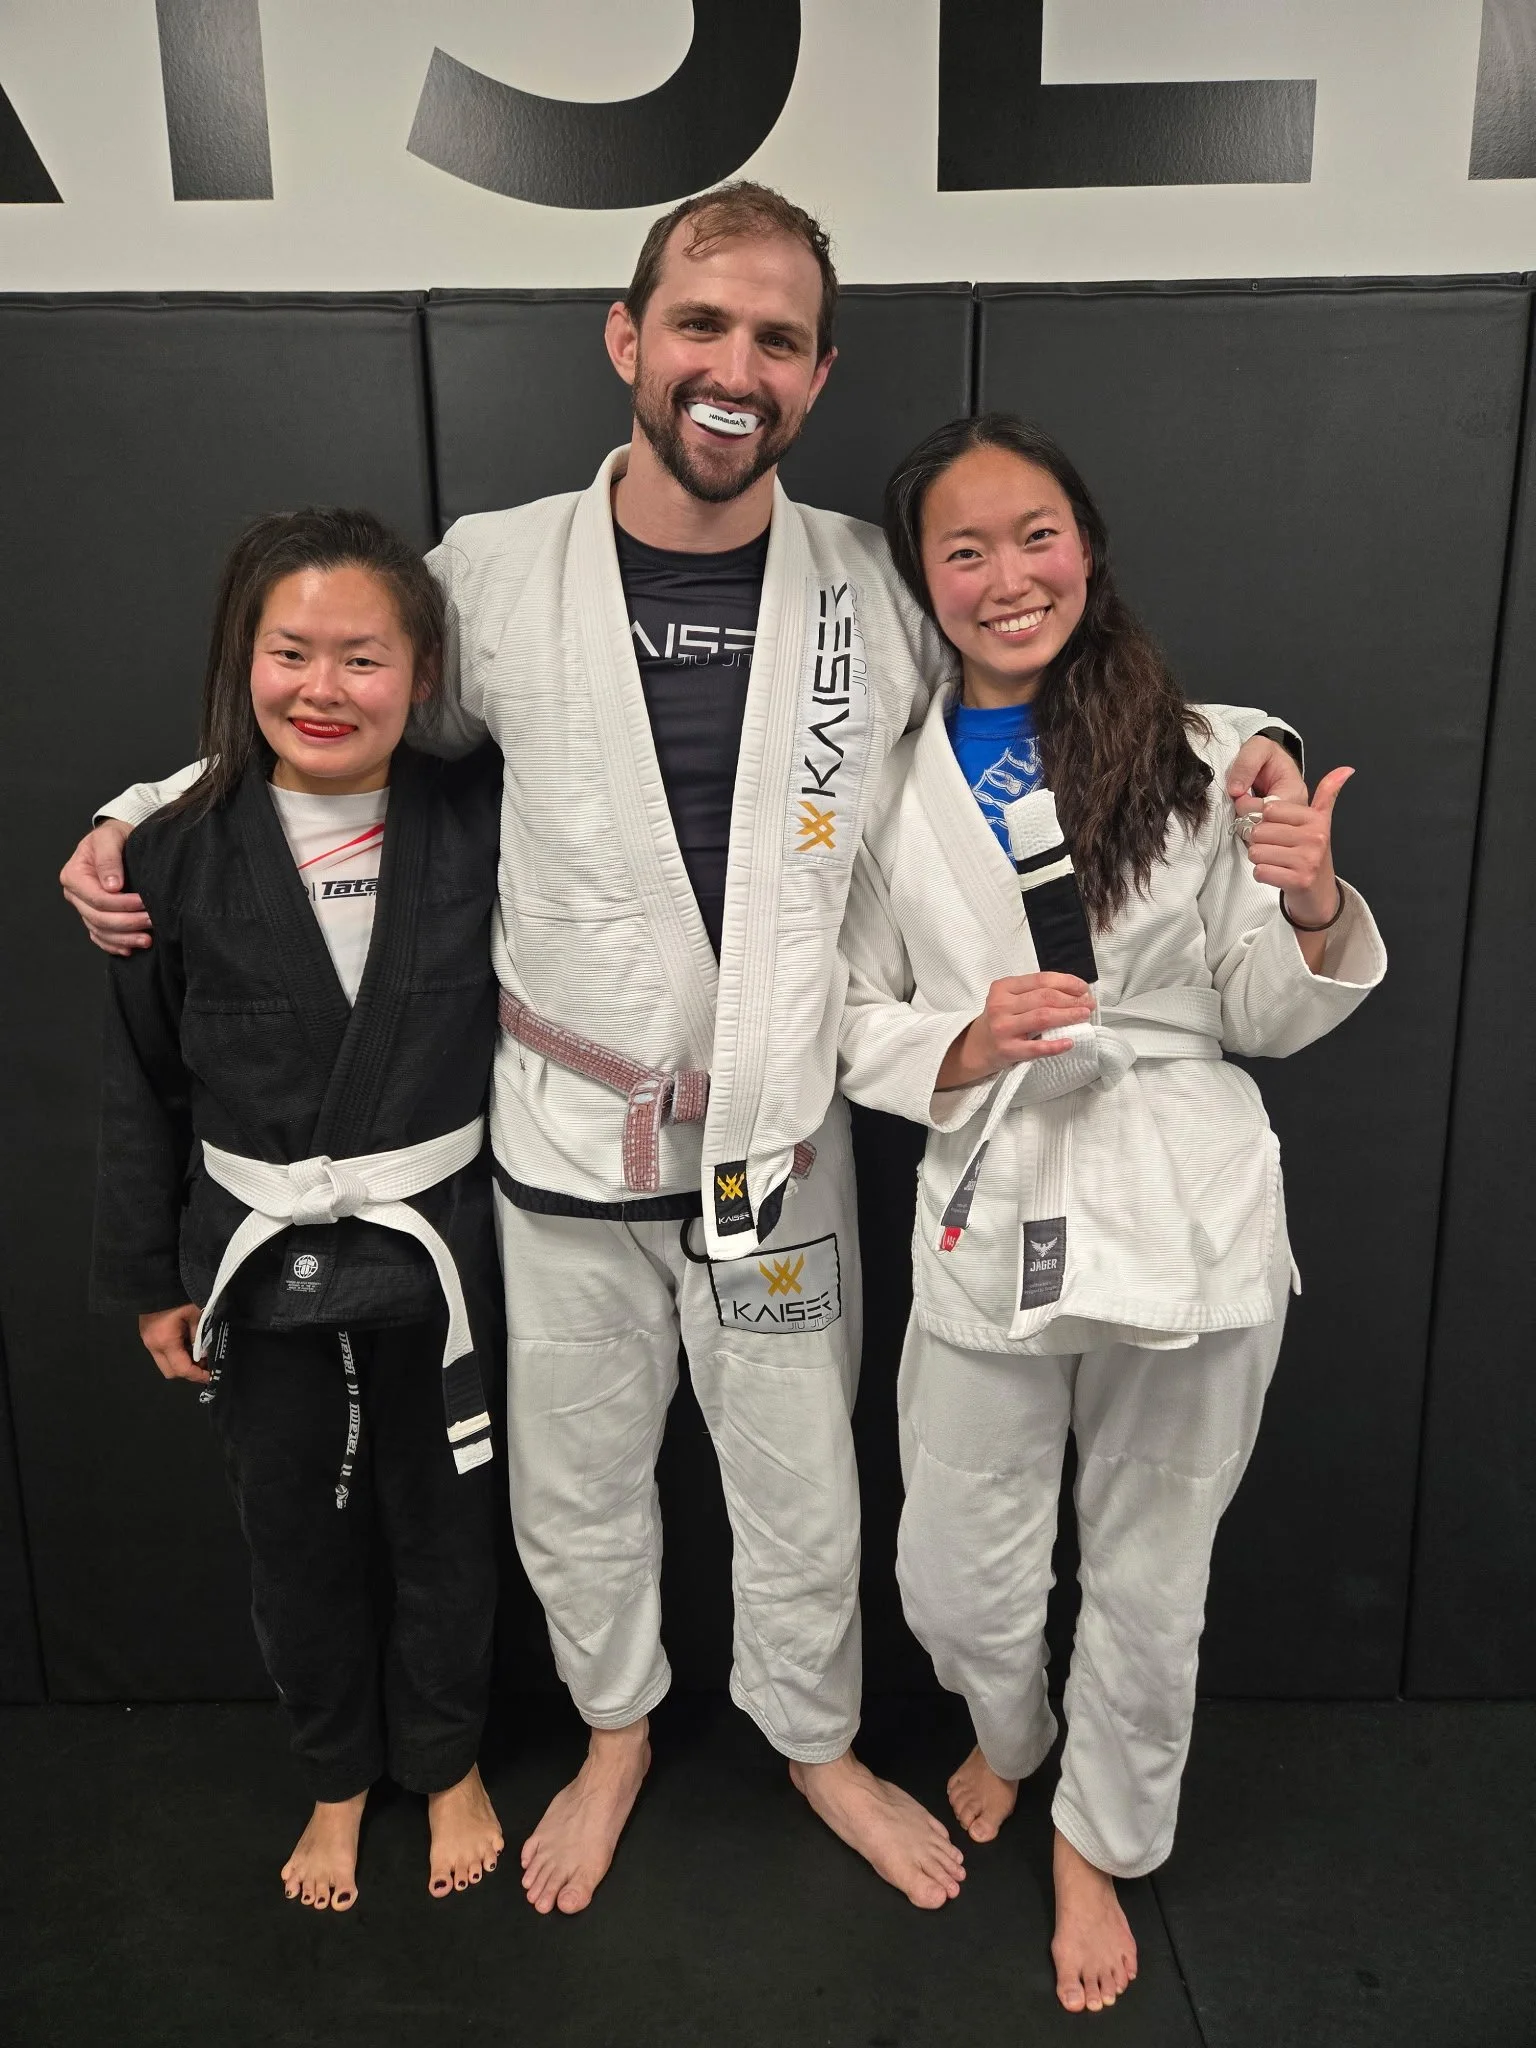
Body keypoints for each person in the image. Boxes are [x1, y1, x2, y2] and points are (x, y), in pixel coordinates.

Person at [61, 184, 1303, 1918]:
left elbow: (1049, 668)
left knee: (802, 1483)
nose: (736, 367)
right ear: (626, 338)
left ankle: (815, 1741)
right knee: (576, 1480)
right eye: (702, 324)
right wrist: (143, 812)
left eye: (778, 339)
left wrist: (1255, 748)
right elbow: (335, 709)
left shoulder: (874, 584)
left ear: (819, 374)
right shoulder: (495, 572)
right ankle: (616, 1730)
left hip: (777, 1142)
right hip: (564, 1135)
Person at [836, 414, 1385, 2012]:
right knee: (956, 1570)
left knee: (1155, 1566)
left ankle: (1102, 1837)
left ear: (1087, 543)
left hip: (1184, 1192)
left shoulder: (1211, 753)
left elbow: (1264, 1011)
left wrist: (1309, 897)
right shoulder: (887, 786)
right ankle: (1012, 1733)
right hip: (998, 1179)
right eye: (965, 550)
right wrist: (962, 1037)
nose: (1010, 576)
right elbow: (850, 1013)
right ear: (922, 579)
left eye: (1038, 535)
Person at [90, 508, 506, 1912]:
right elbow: (141, 1079)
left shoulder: (482, 815)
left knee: (446, 1522)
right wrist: (154, 1279)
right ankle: (336, 1775)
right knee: (292, 1531)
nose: (323, 688)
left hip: (439, 1241)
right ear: (241, 659)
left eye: (363, 657)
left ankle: (447, 1760)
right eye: (290, 652)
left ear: (423, 674)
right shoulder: (169, 854)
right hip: (255, 1254)